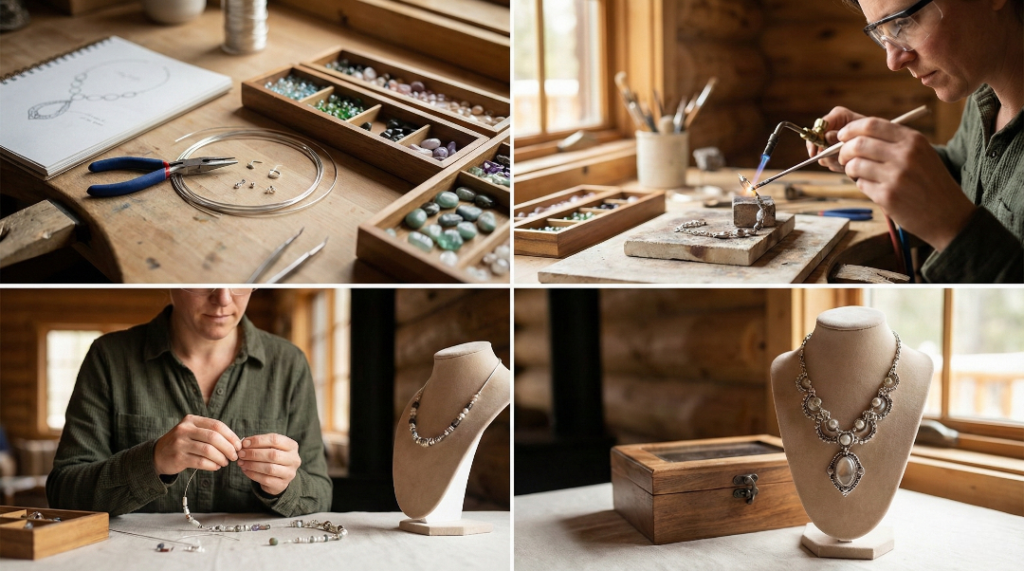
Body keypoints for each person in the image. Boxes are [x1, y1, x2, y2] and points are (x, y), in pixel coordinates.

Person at [46, 289, 332, 517]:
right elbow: (63, 492)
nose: (222, 298)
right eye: (202, 281)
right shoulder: (109, 357)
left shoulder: (289, 364)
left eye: (240, 281)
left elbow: (321, 495)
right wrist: (154, 460)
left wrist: (284, 487)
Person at [809, 0, 1023, 282]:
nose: (893, 61)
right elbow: (965, 174)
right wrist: (875, 152)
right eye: (880, 33)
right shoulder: (985, 94)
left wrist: (954, 228)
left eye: (903, 23)